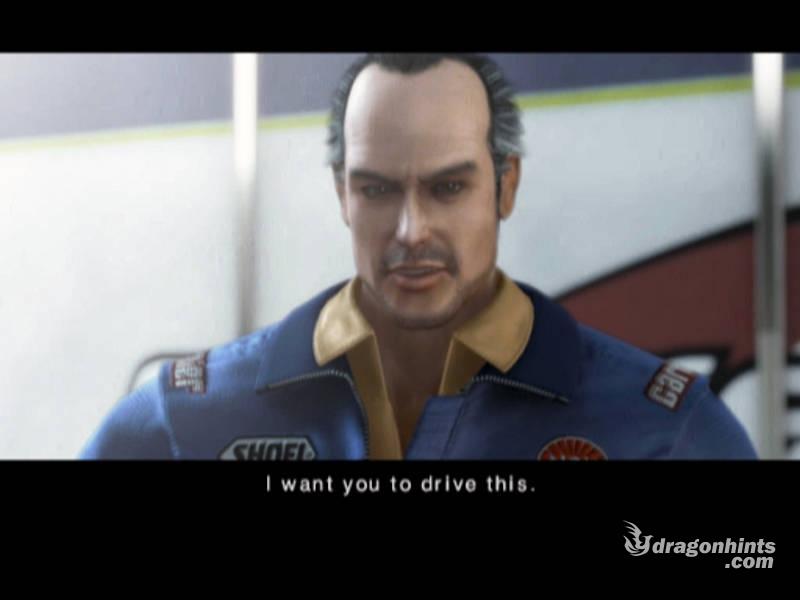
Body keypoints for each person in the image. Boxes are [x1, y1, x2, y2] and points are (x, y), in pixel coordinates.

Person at [80, 53, 757, 460]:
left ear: (507, 185)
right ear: (342, 193)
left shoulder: (665, 432)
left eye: (448, 188)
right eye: (377, 189)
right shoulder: (182, 423)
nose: (411, 230)